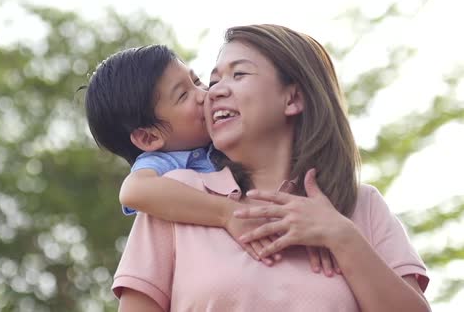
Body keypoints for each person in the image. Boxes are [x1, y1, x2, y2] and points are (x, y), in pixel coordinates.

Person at [112, 24, 430, 311]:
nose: (214, 92)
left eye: (239, 75)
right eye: (214, 80)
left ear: (292, 98)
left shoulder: (362, 207)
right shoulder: (176, 196)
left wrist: (341, 236)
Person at [85, 45, 335, 269]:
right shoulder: (167, 163)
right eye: (183, 95)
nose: (205, 94)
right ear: (149, 139)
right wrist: (227, 214)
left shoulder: (225, 146)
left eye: (197, 81)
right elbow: (134, 192)